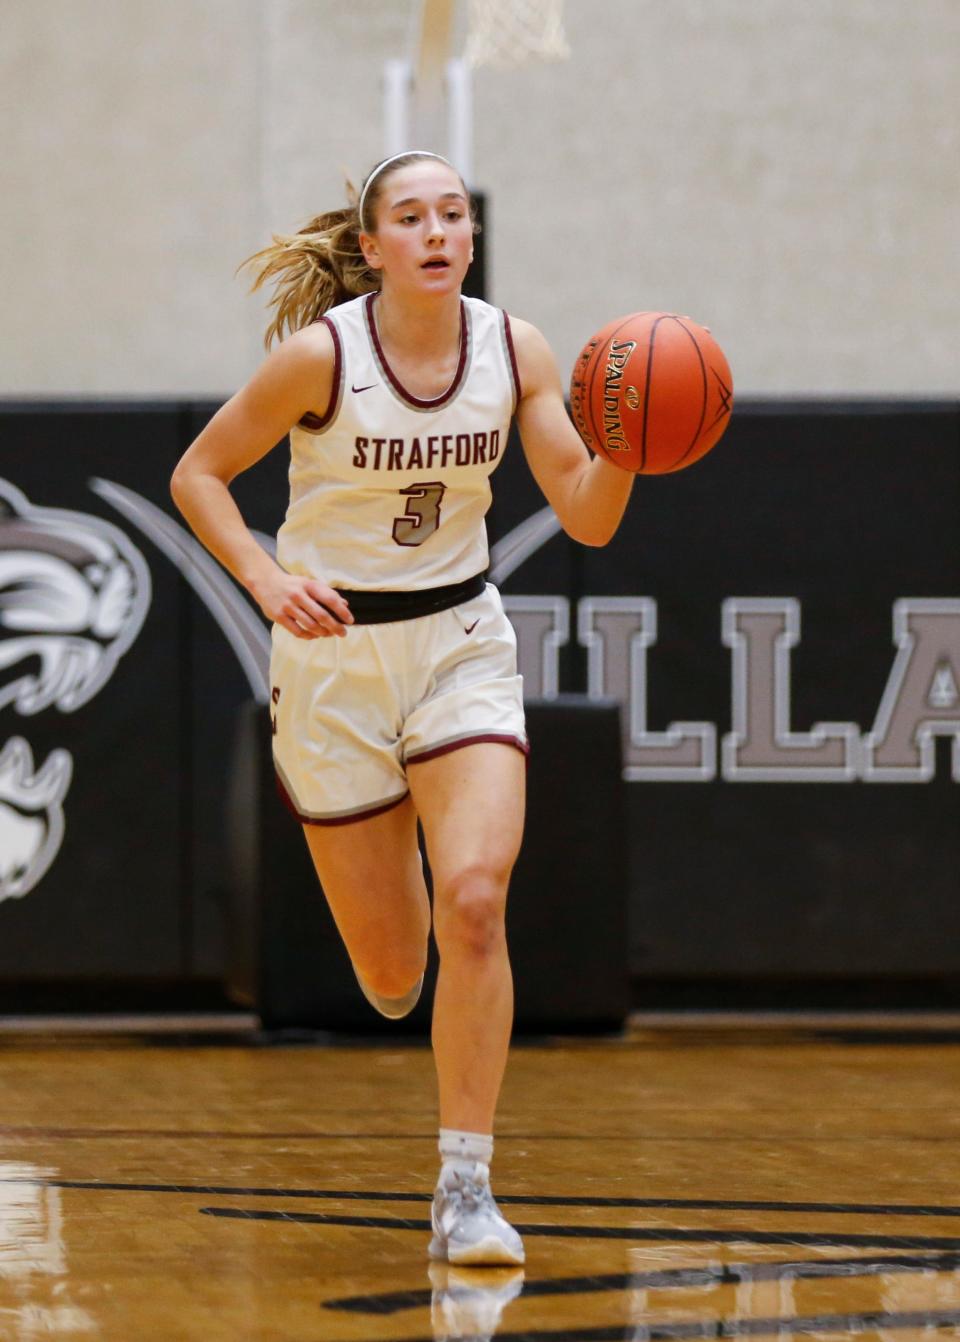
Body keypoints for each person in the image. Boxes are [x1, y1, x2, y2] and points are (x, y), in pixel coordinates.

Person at [170, 150, 634, 1266]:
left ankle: (465, 1186)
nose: (437, 231)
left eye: (453, 214)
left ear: (471, 238)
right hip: (333, 661)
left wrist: (627, 445)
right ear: (372, 247)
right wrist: (268, 576)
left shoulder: (512, 347)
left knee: (476, 899)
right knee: (390, 975)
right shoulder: (319, 358)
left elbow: (588, 516)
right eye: (411, 217)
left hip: (459, 641)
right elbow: (199, 474)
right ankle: (398, 895)